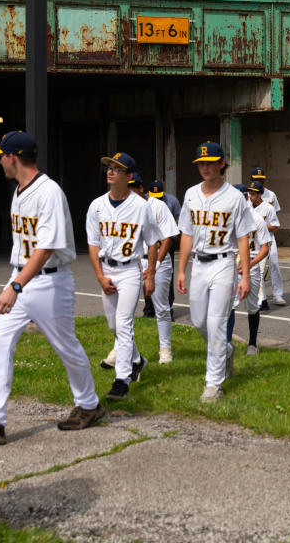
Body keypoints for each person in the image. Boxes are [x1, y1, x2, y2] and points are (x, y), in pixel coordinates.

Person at [0, 131, 104, 448]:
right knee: (0, 341)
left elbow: (46, 248)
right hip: (23, 276)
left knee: (66, 346)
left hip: (50, 281)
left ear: (13, 157)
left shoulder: (48, 192)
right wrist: (16, 282)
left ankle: (90, 405)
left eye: (1, 155)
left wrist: (15, 286)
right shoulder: (20, 190)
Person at [176, 141, 255, 402]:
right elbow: (187, 233)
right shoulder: (190, 194)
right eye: (201, 162)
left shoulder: (234, 197)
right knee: (199, 321)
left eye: (210, 162)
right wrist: (182, 270)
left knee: (217, 322)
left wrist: (244, 275)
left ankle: (213, 383)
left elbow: (242, 236)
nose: (205, 167)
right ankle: (227, 350)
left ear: (222, 164)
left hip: (223, 263)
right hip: (198, 263)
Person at [86, 152, 161, 400]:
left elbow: (152, 242)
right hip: (107, 268)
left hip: (130, 269)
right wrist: (99, 275)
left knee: (124, 323)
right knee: (113, 325)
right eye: (109, 167)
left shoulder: (141, 206)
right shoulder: (97, 205)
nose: (110, 171)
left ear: (128, 176)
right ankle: (137, 360)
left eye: (117, 169)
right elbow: (93, 244)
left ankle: (122, 379)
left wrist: (149, 275)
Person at [128, 173, 179, 363]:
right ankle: (127, 352)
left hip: (159, 260)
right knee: (125, 309)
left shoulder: (158, 206)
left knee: (162, 308)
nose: (130, 190)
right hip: (134, 260)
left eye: (133, 186)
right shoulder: (127, 207)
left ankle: (165, 349)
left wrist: (154, 265)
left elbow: (169, 237)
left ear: (141, 188)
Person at [239, 180, 276, 355]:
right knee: (226, 306)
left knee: (252, 306)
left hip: (251, 265)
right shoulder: (227, 219)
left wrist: (249, 264)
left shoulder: (256, 218)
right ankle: (224, 346)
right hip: (230, 267)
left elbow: (264, 248)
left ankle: (252, 343)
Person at [143, 179, 180, 318]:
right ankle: (148, 310)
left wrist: (168, 227)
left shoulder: (171, 201)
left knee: (166, 280)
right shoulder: (144, 202)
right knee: (147, 278)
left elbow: (178, 218)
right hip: (149, 246)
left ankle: (167, 308)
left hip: (165, 242)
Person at [250, 166, 285, 307]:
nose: (259, 180)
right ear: (252, 179)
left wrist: (261, 225)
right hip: (253, 239)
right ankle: (258, 297)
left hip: (269, 237)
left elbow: (274, 220)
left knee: (274, 264)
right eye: (256, 178)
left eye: (261, 179)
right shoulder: (248, 196)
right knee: (256, 267)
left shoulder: (271, 195)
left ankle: (277, 295)